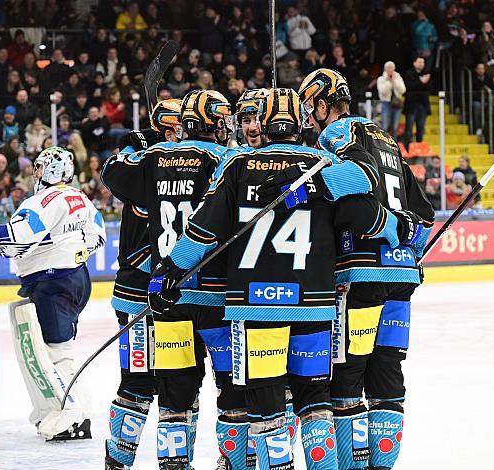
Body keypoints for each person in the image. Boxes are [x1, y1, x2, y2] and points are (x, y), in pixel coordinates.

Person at [149, 88, 405, 470]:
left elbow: (203, 230)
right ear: (300, 122)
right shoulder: (322, 161)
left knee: (267, 410)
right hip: (315, 306)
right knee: (315, 402)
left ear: (263, 125)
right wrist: (317, 186)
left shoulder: (237, 164)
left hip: (255, 309)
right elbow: (365, 177)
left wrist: (170, 269)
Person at [297, 68, 434, 469]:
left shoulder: (337, 135)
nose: (309, 117)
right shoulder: (387, 139)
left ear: (324, 105)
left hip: (360, 273)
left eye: (311, 108)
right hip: (401, 276)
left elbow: (356, 196)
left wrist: (383, 227)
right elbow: (423, 216)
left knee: (347, 377)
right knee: (388, 377)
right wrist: (408, 249)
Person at [0, 146, 107, 440]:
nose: (35, 173)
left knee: (55, 352)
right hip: (76, 278)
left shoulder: (44, 200)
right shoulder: (81, 198)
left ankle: (74, 417)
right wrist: (63, 252)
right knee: (43, 350)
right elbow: (96, 236)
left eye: (39, 167)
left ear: (50, 170)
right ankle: (51, 408)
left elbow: (17, 238)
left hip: (53, 284)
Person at [99, 99, 183, 470]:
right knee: (141, 385)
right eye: (178, 128)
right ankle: (120, 460)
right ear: (166, 131)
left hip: (154, 292)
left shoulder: (142, 162)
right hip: (141, 294)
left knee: (172, 386)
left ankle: (134, 461)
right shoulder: (158, 165)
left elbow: (111, 171)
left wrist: (134, 144)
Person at [402, 57, 432, 146]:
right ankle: (407, 148)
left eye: (423, 62)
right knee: (409, 128)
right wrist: (421, 82)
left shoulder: (426, 74)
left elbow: (430, 89)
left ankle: (419, 149)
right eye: (419, 62)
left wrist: (424, 83)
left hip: (423, 105)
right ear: (414, 63)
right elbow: (409, 87)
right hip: (411, 105)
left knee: (421, 128)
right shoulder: (409, 73)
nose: (421, 64)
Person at [377, 61, 406, 138]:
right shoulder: (381, 79)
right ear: (385, 69)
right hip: (386, 103)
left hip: (397, 104)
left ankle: (394, 146)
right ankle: (384, 145)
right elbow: (383, 91)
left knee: (395, 127)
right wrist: (389, 81)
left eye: (391, 67)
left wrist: (394, 81)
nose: (390, 69)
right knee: (385, 126)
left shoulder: (398, 78)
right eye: (388, 67)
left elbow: (403, 90)